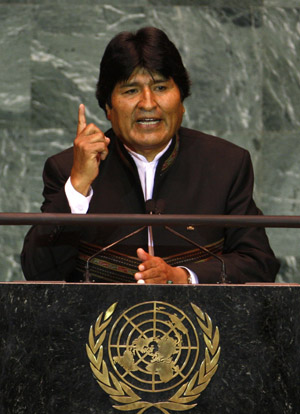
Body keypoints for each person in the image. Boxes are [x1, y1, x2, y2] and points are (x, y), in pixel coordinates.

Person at [21, 27, 280, 284]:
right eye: (131, 90)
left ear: (182, 102)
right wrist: (77, 187)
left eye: (160, 87)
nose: (148, 103)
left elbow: (259, 262)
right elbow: (38, 273)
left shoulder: (225, 164)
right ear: (108, 108)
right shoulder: (67, 168)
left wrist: (183, 277)